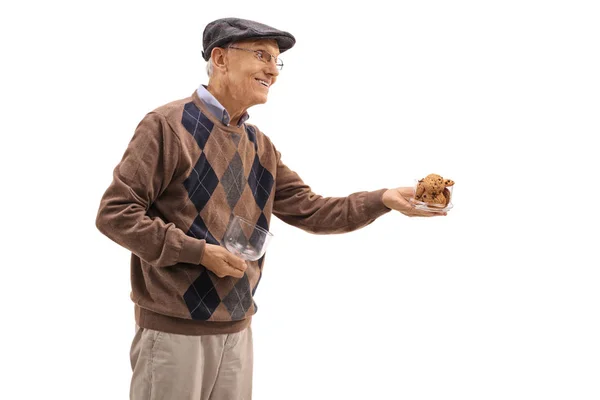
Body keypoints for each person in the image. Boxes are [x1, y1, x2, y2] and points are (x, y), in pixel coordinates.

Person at [95, 17, 445, 400]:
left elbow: (312, 211)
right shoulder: (166, 126)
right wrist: (198, 252)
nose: (272, 71)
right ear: (221, 58)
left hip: (237, 329)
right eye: (262, 56)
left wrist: (383, 199)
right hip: (174, 332)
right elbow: (116, 213)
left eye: (277, 61)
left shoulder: (259, 145)